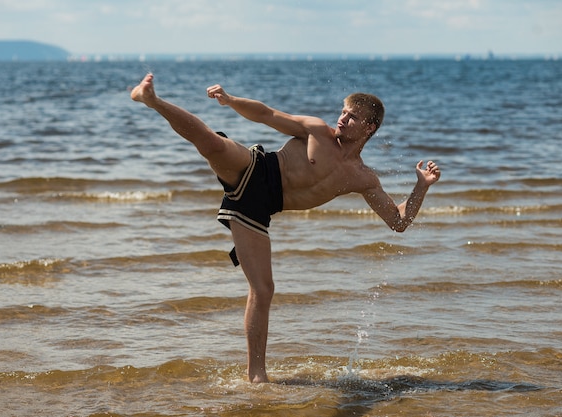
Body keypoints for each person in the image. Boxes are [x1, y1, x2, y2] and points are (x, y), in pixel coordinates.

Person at [131, 73, 441, 383]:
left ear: (370, 128)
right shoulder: (318, 131)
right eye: (344, 112)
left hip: (256, 209)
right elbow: (267, 114)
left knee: (263, 290)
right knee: (212, 144)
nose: (343, 118)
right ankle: (152, 100)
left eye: (353, 116)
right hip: (257, 168)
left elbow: (398, 222)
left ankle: (256, 377)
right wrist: (231, 100)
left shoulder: (364, 178)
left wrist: (421, 187)